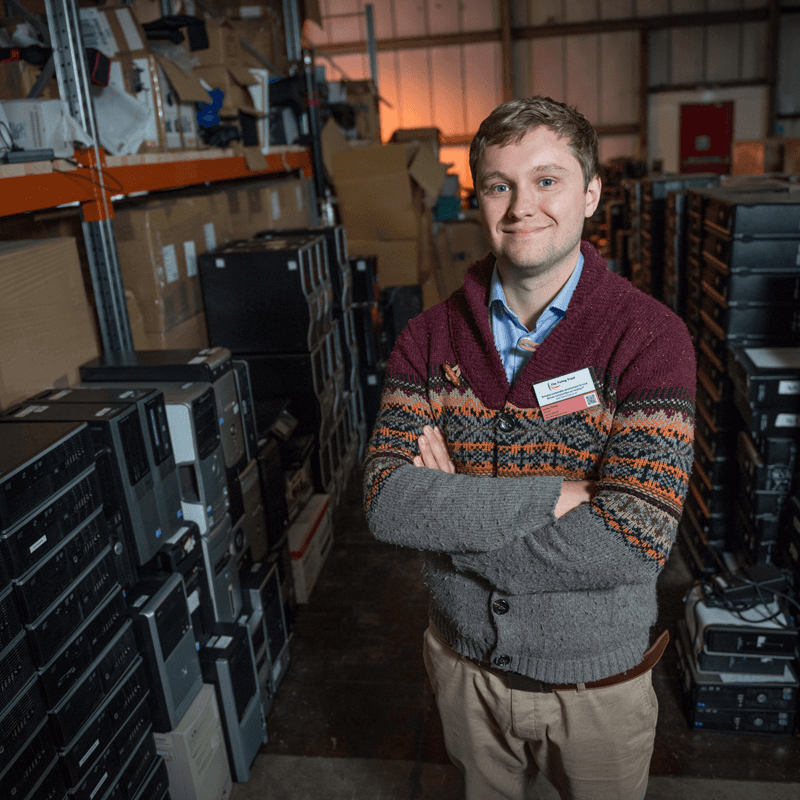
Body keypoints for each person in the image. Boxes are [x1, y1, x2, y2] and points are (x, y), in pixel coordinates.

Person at [362, 96, 696, 800]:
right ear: (478, 198)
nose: (522, 207)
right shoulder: (428, 339)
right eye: (499, 185)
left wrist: (452, 522)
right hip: (465, 673)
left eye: (547, 180)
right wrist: (555, 497)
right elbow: (388, 502)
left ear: (591, 193)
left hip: (597, 687)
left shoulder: (649, 338)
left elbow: (634, 539)